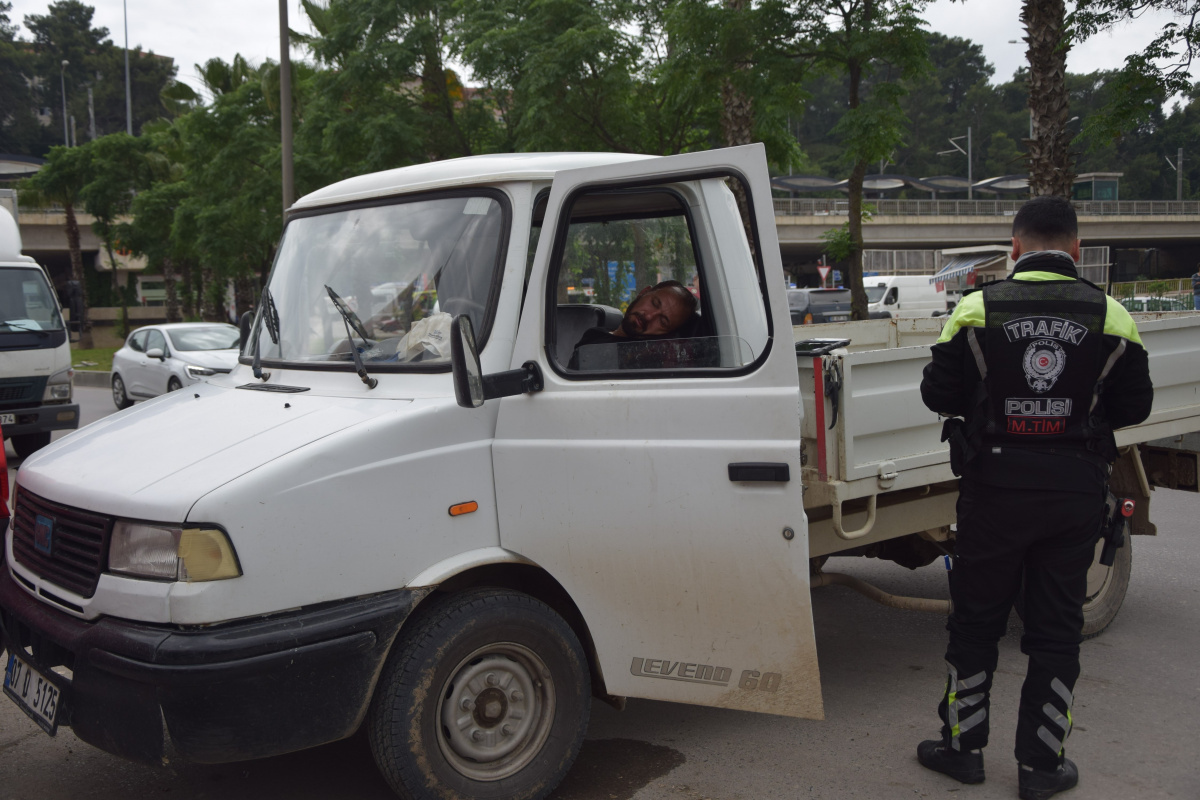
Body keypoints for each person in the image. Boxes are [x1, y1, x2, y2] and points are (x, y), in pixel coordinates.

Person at [916, 195, 1153, 800]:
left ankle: (963, 751)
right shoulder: (1112, 314)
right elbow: (1135, 408)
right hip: (1074, 491)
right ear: (1077, 249)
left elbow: (937, 392)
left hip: (993, 490)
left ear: (1014, 248)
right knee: (1054, 630)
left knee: (975, 624)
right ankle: (1041, 768)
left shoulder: (975, 308)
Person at [568, 280, 698, 369]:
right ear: (643, 292)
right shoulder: (594, 334)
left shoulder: (648, 360)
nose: (649, 316)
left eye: (663, 321)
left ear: (668, 333)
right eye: (654, 303)